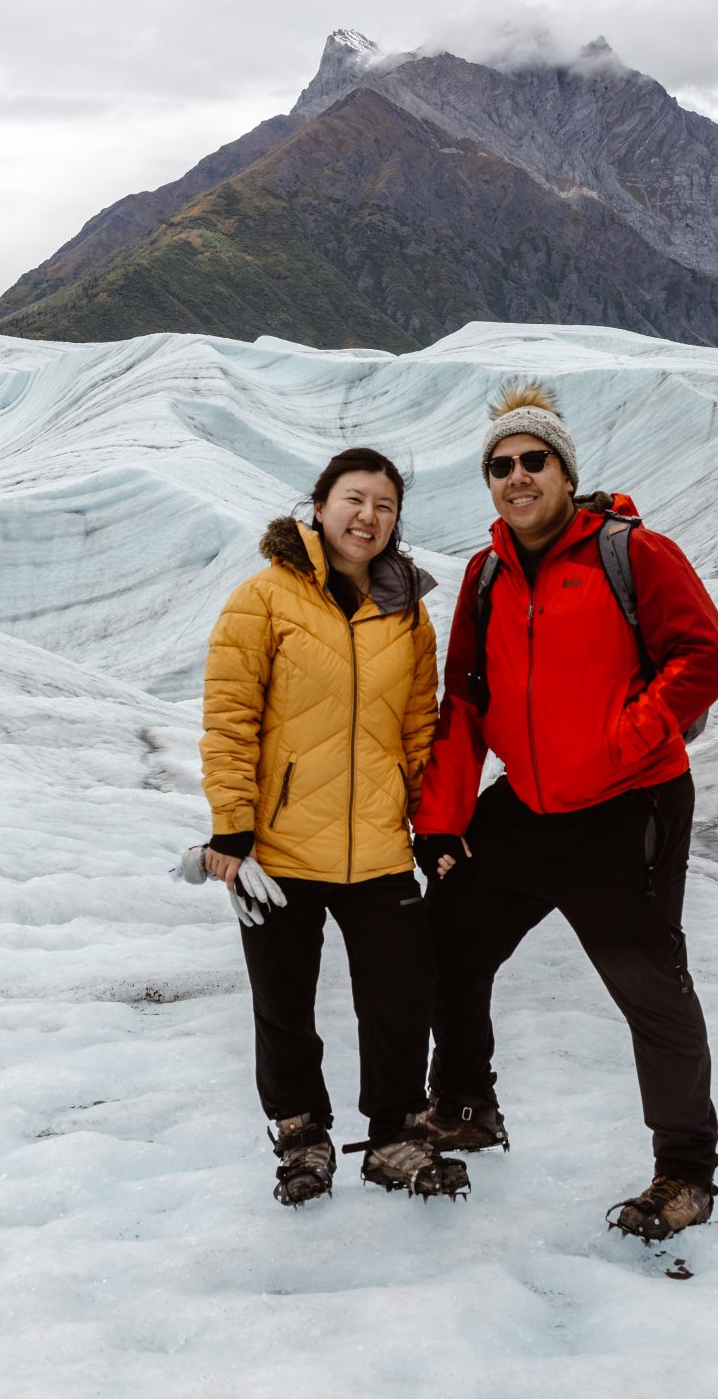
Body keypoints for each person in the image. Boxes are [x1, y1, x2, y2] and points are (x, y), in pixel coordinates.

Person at [412, 383, 718, 1242]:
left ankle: (685, 1173)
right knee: (448, 941)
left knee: (648, 986)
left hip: (628, 806)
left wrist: (625, 738)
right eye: (500, 466)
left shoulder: (633, 553)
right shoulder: (485, 577)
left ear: (564, 472)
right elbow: (465, 704)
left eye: (533, 461)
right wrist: (441, 820)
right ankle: (466, 1106)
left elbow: (705, 656)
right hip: (527, 806)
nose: (517, 477)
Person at [187, 448, 469, 1207]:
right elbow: (230, 719)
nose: (367, 517)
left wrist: (433, 826)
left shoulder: (406, 612)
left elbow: (419, 727)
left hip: (378, 846)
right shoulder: (263, 598)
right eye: (354, 499)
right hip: (279, 848)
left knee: (400, 996)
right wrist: (232, 830)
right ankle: (301, 1134)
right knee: (283, 1005)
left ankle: (396, 1135)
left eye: (384, 505)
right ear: (319, 506)